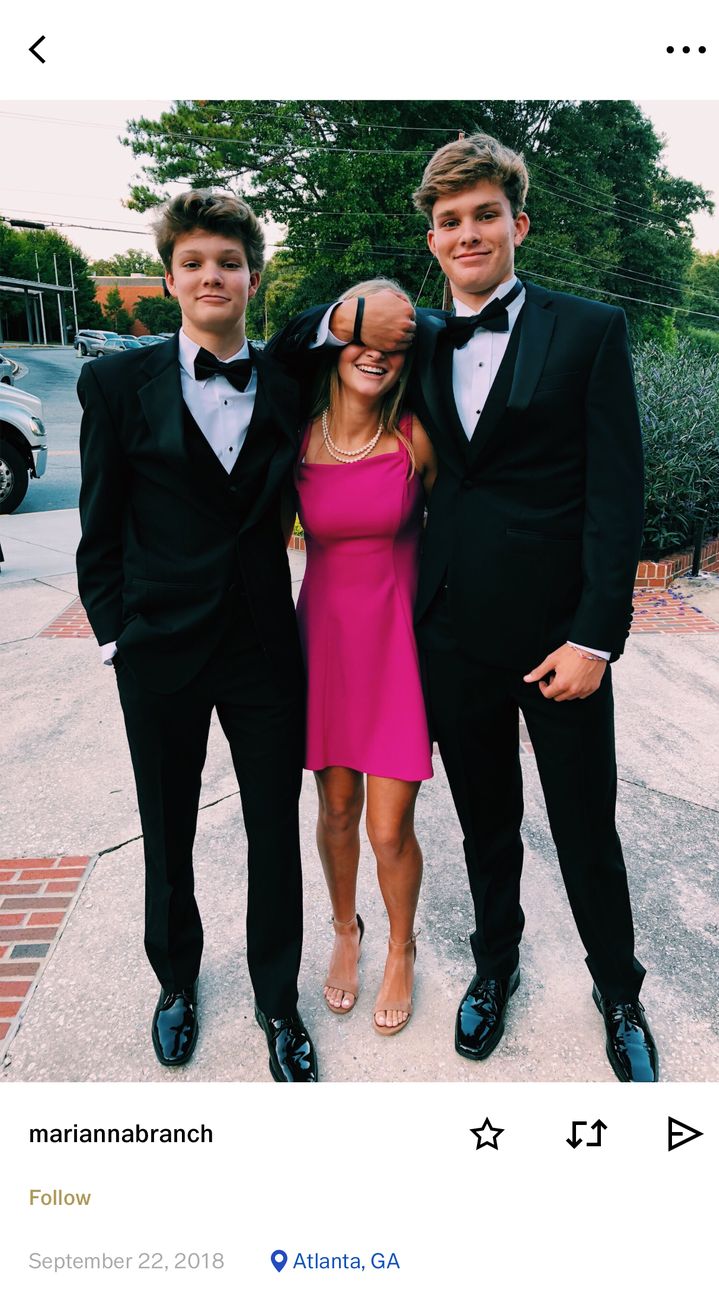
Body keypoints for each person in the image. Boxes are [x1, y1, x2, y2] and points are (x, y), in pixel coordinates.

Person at [284, 133, 659, 1081]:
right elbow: (296, 352)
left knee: (584, 826)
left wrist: (595, 637)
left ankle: (620, 991)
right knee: (489, 826)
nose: (467, 232)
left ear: (517, 223)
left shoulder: (589, 330)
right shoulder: (418, 340)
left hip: (558, 641)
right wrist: (347, 306)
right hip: (451, 636)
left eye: (485, 214)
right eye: (449, 220)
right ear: (434, 238)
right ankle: (495, 970)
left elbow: (619, 499)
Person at [76, 190, 317, 1082]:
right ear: (172, 279)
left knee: (273, 832)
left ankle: (277, 1001)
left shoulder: (293, 383)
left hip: (262, 647)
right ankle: (176, 982)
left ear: (253, 275)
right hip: (160, 649)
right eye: (193, 263)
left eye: (228, 262)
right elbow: (98, 533)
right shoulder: (114, 384)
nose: (211, 276)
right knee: (166, 825)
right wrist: (115, 638)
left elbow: (364, 336)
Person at [293, 279, 437, 1035]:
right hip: (324, 648)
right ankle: (345, 931)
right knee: (337, 810)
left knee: (388, 828)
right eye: (360, 338)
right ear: (334, 342)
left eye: (390, 345)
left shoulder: (414, 438)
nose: (373, 355)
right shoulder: (298, 435)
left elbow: (458, 536)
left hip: (396, 654)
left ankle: (400, 947)